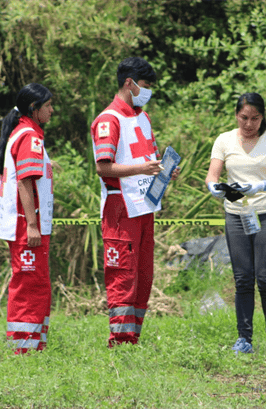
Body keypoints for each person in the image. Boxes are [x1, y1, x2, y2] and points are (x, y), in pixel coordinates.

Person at [91, 57, 178, 347]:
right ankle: (120, 339)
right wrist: (143, 169)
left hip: (145, 205)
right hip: (121, 207)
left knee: (143, 275)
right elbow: (104, 167)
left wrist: (165, 172)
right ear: (129, 83)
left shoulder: (143, 117)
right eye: (145, 86)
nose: (148, 92)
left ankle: (134, 337)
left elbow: (146, 160)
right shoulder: (108, 120)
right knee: (123, 274)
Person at [205, 92, 266, 353]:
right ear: (236, 115)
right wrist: (214, 187)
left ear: (262, 117)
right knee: (242, 278)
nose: (249, 124)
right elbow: (212, 174)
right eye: (244, 118)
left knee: (265, 277)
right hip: (236, 213)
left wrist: (260, 185)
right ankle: (244, 339)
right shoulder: (224, 140)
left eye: (255, 118)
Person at [0, 83, 55, 354]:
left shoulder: (24, 133)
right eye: (48, 105)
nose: (52, 110)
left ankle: (34, 345)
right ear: (34, 108)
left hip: (27, 223)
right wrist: (32, 224)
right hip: (25, 224)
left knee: (38, 283)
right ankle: (23, 349)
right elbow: (25, 182)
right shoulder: (29, 136)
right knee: (29, 284)